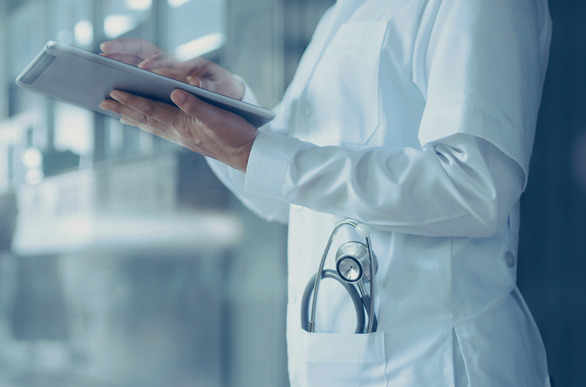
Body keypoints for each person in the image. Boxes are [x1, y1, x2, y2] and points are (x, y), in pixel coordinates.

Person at [98, 0, 552, 385]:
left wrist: (261, 154)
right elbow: (286, 197)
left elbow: (474, 188)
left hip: (434, 362)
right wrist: (223, 111)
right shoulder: (342, 13)